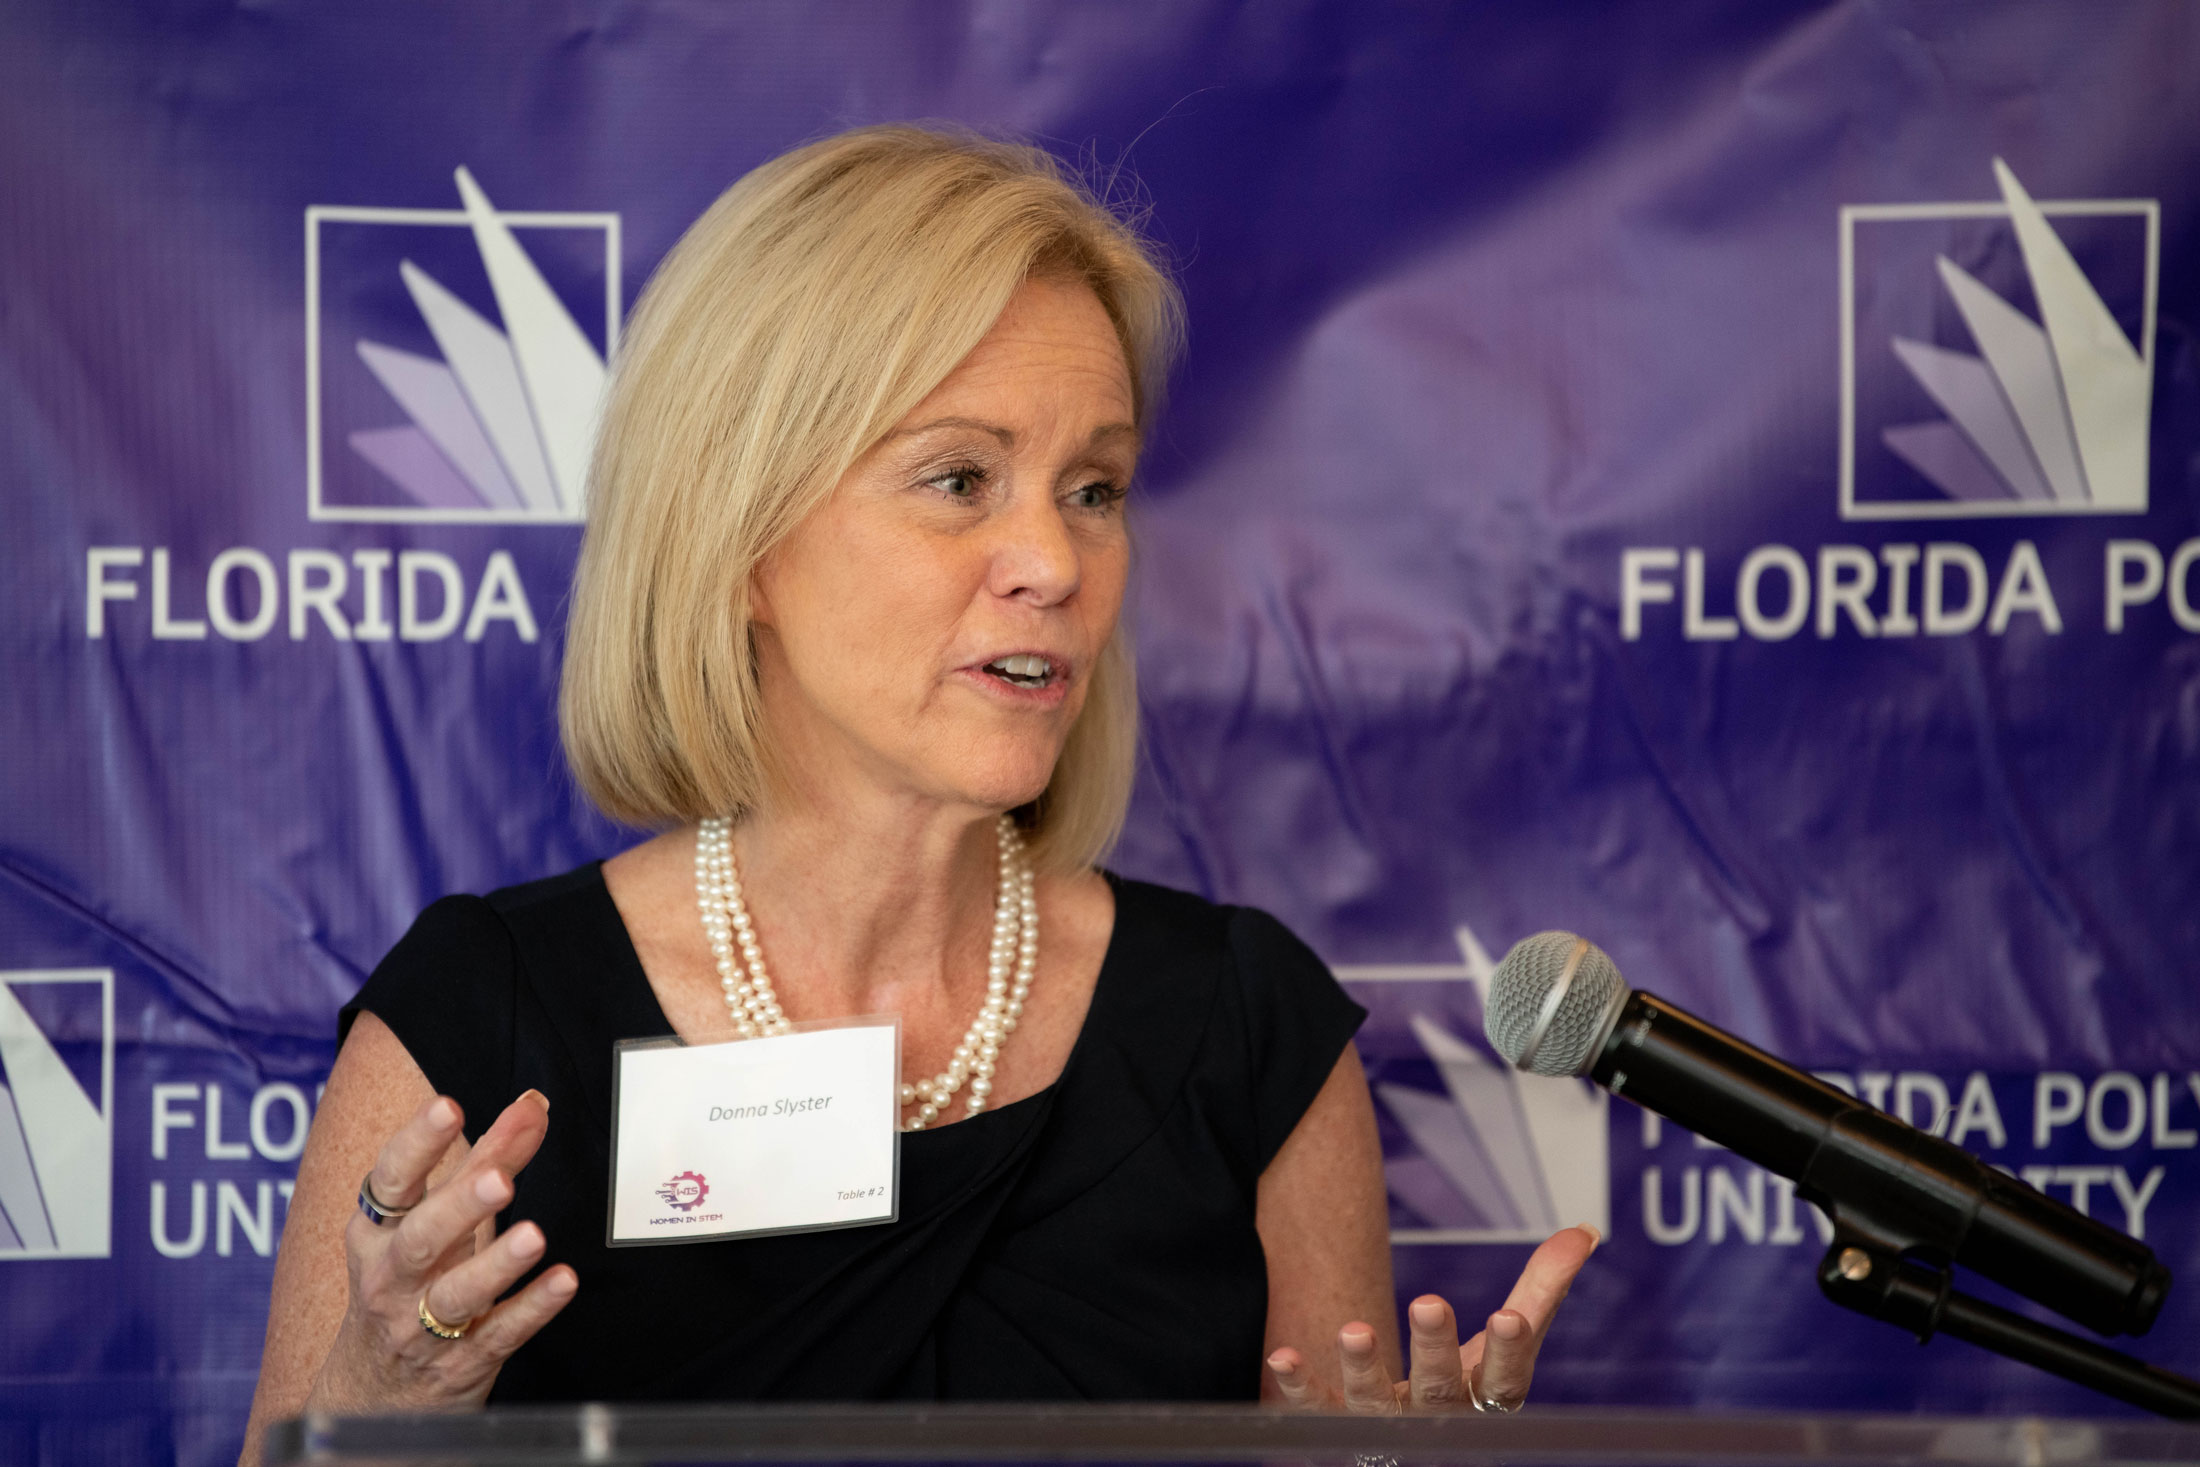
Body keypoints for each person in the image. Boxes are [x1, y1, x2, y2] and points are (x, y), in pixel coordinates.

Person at [240, 124, 1594, 1461]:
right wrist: (380, 1408)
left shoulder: (1244, 1026)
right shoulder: (482, 1020)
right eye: (961, 479)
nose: (1053, 562)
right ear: (739, 541)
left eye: (1093, 488)